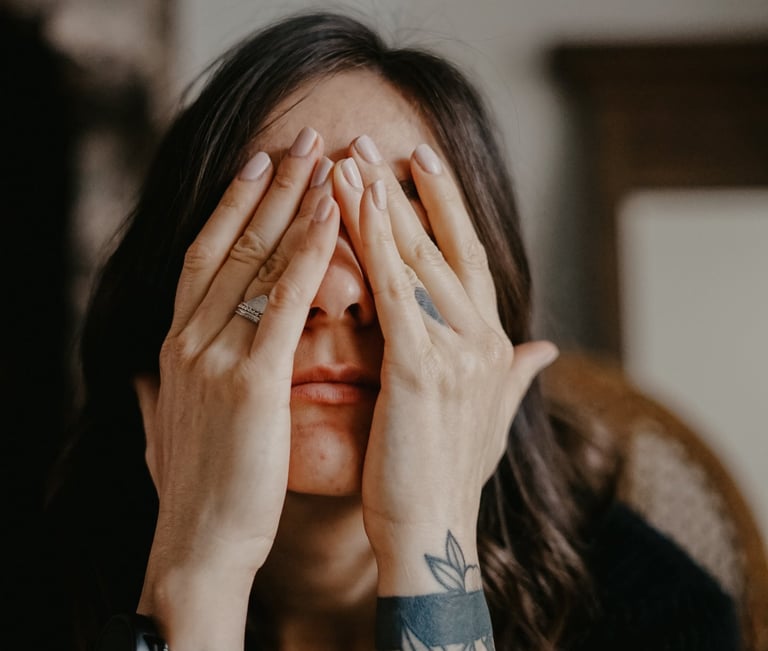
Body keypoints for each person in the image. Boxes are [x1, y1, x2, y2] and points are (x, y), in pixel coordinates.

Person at [42, 10, 741, 651]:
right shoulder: (36, 582)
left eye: (403, 233)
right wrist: (197, 576)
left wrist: (428, 546)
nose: (339, 292)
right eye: (276, 217)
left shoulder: (653, 611)